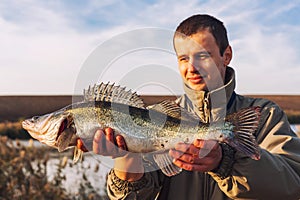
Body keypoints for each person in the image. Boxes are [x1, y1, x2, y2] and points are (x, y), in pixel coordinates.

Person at [81, 14, 300, 199]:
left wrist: (225, 162)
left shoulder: (266, 115)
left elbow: (293, 185)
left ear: (227, 56)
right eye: (183, 58)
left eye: (202, 56)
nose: (191, 67)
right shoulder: (156, 118)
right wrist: (126, 157)